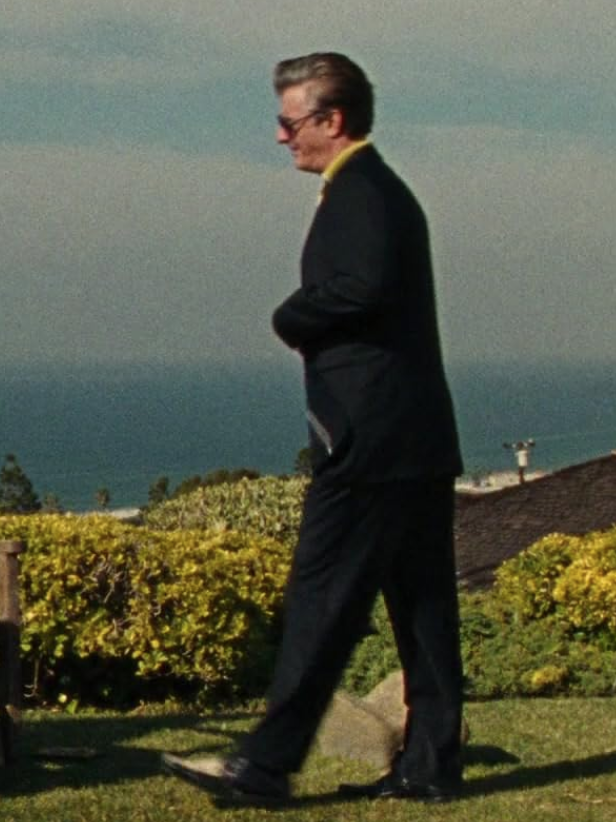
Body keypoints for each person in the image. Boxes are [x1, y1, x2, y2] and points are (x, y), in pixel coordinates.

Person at [163, 52, 466, 805]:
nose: (280, 136)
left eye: (289, 121)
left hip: (368, 441)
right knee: (422, 607)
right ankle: (430, 764)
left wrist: (289, 316)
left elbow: (361, 287)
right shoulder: (382, 190)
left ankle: (266, 766)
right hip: (414, 436)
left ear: (331, 120)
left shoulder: (359, 192)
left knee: (321, 598)